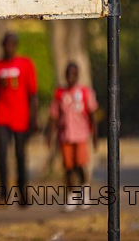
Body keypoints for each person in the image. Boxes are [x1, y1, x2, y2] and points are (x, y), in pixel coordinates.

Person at [0, 32, 38, 207]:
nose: (9, 48)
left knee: (20, 156)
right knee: (2, 155)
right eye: (6, 44)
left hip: (21, 118)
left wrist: (35, 118)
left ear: (15, 46)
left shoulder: (25, 64)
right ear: (2, 46)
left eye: (12, 44)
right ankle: (3, 195)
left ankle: (23, 194)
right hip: (2, 117)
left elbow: (32, 94)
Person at [47, 62, 98, 212]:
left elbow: (93, 113)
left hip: (81, 134)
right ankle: (72, 196)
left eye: (73, 73)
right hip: (65, 135)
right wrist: (50, 135)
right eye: (68, 73)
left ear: (77, 75)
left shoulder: (84, 92)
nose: (70, 76)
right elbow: (54, 116)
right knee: (68, 167)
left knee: (80, 165)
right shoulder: (60, 93)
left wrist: (95, 134)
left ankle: (85, 192)